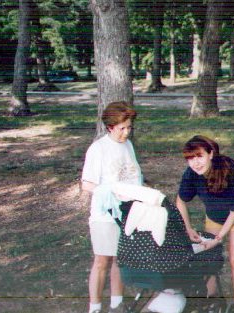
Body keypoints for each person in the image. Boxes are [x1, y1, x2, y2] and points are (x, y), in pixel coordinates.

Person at [176, 135, 234, 313]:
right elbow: (180, 200)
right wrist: (187, 228)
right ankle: (211, 298)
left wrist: (218, 238)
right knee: (209, 256)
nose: (195, 163)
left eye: (199, 156)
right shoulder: (191, 174)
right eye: (190, 158)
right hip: (214, 213)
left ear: (210, 154)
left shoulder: (228, 169)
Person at [81, 101, 142, 313]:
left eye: (129, 127)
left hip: (129, 213)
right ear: (110, 127)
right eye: (122, 128)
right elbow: (87, 184)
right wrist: (111, 191)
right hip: (105, 215)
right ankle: (95, 307)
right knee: (102, 261)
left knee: (120, 259)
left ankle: (117, 304)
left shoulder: (128, 145)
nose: (126, 132)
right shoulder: (98, 149)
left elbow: (134, 177)